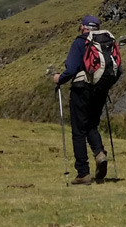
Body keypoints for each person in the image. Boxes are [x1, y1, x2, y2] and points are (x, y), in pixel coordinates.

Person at [51, 15, 117, 185]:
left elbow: (72, 68)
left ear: (83, 27)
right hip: (100, 90)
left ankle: (83, 173)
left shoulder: (80, 43)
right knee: (91, 125)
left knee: (79, 130)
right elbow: (119, 69)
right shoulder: (107, 43)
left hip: (81, 89)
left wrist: (60, 78)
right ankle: (99, 153)